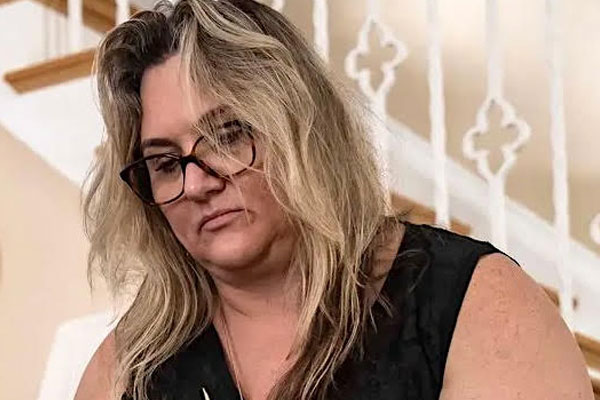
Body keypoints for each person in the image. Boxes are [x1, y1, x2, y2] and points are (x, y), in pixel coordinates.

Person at [74, 0, 594, 399]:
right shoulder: (128, 366)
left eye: (230, 135)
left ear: (306, 130)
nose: (197, 183)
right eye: (166, 163)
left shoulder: (474, 306)